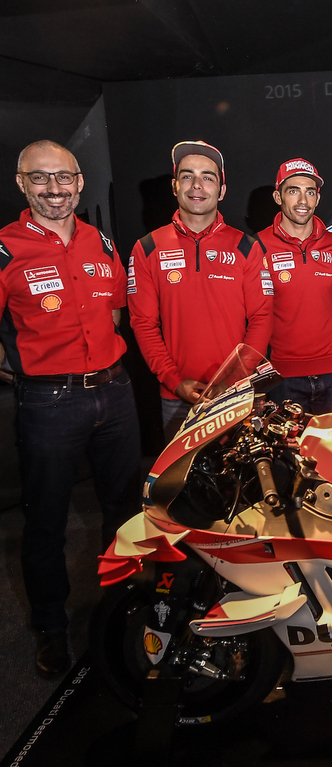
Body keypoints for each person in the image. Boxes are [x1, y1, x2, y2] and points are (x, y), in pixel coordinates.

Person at [0, 140, 141, 677]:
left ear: (79, 183)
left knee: (123, 512)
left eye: (64, 177)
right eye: (40, 178)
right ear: (22, 183)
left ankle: (122, 612)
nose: (54, 188)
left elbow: (115, 314)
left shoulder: (101, 242)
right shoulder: (5, 249)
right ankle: (51, 629)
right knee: (47, 523)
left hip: (114, 393)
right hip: (49, 403)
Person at [128, 141, 273, 440]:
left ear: (221, 190)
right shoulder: (147, 247)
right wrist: (174, 381)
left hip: (236, 394)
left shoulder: (246, 247)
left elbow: (262, 318)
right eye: (187, 176)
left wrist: (233, 380)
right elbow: (143, 324)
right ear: (175, 186)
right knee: (182, 474)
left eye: (208, 177)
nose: (197, 185)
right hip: (177, 398)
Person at [257, 159, 332, 413]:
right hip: (282, 378)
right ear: (278, 197)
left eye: (310, 192)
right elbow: (254, 315)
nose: (302, 200)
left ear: (317, 199)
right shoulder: (258, 246)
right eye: (293, 191)